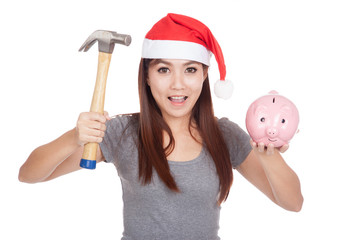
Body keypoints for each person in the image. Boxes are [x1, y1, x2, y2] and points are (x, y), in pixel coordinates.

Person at [19, 13, 303, 240]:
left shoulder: (224, 136)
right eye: (164, 69)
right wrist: (74, 137)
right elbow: (29, 175)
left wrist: (271, 156)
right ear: (147, 76)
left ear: (205, 75)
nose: (178, 84)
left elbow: (293, 203)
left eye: (190, 69)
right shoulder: (124, 133)